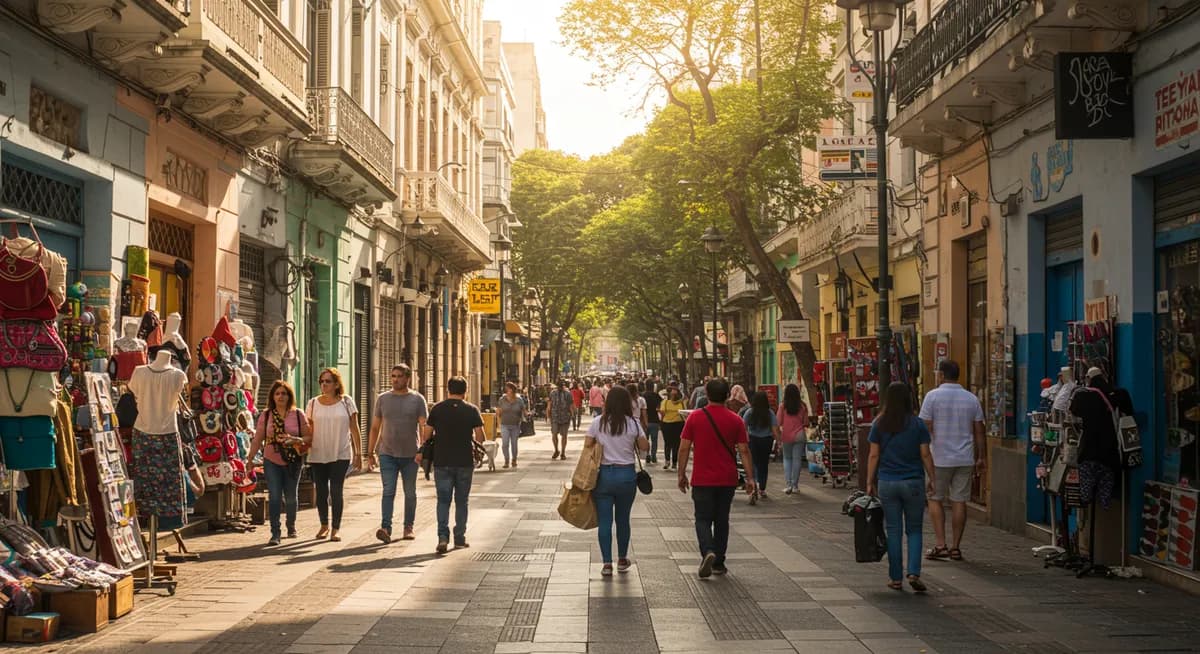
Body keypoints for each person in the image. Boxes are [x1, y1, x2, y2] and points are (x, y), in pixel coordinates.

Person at [676, 378, 757, 578]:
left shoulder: (694, 418)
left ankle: (707, 551)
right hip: (727, 479)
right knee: (722, 520)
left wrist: (681, 473)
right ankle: (719, 562)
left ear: (707, 394)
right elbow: (744, 450)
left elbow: (684, 447)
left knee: (702, 518)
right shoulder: (735, 420)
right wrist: (750, 478)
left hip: (702, 479)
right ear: (728, 395)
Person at [867, 382, 936, 592]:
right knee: (914, 530)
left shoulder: (879, 424)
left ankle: (896, 578)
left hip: (888, 482)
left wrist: (870, 482)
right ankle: (914, 572)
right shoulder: (917, 424)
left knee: (893, 530)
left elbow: (874, 454)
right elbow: (925, 454)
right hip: (913, 482)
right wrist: (933, 478)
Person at [919, 359, 985, 561]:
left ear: (940, 375)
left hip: (938, 458)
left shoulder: (932, 397)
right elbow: (979, 431)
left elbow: (925, 427)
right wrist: (982, 457)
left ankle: (941, 544)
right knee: (959, 501)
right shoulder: (971, 398)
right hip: (964, 457)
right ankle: (956, 547)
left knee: (934, 498)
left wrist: (922, 452)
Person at [586, 385, 649, 576]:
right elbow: (644, 447)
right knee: (623, 519)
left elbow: (587, 445)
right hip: (626, 476)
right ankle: (622, 559)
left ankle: (606, 563)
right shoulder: (633, 423)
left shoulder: (598, 422)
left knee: (605, 521)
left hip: (603, 476)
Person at [421, 376, 485, 554]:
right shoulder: (472, 410)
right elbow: (480, 435)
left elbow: (426, 434)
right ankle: (459, 538)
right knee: (462, 501)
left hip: (442, 461)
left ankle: (442, 537)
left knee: (443, 501)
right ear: (465, 391)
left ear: (447, 389)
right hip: (464, 461)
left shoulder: (437, 409)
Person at [367, 364, 428, 544]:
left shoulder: (417, 399)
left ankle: (408, 527)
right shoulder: (383, 399)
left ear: (407, 378)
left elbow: (424, 426)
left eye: (399, 376)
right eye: (393, 376)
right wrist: (370, 452)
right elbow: (375, 427)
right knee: (388, 490)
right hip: (387, 453)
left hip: (411, 455)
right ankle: (386, 527)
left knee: (410, 493)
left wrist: (422, 450)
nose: (395, 379)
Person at [247, 380, 311, 546]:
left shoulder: (298, 414)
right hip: (271, 460)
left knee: (290, 496)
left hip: (293, 460)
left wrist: (296, 439)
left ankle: (291, 525)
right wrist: (250, 459)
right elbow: (258, 438)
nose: (281, 396)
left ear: (289, 396)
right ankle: (275, 532)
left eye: (284, 393)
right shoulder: (266, 415)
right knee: (275, 495)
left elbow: (308, 437)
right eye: (277, 393)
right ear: (272, 397)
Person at [305, 368, 362, 542]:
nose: (324, 384)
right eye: (321, 381)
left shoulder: (346, 401)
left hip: (341, 452)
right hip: (318, 452)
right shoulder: (313, 403)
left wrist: (359, 453)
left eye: (328, 381)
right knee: (321, 491)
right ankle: (324, 525)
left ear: (336, 384)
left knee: (336, 490)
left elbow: (354, 428)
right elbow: (309, 428)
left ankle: (335, 528)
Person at [742, 391, 781, 505]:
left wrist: (744, 440)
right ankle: (762, 488)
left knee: (753, 463)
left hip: (753, 440)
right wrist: (778, 441)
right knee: (763, 464)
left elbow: (743, 426)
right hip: (766, 441)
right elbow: (774, 429)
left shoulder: (750, 412)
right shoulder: (770, 413)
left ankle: (753, 484)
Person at [777, 383, 810, 494]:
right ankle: (795, 486)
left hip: (786, 435)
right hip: (800, 434)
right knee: (797, 459)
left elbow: (778, 422)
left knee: (787, 459)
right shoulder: (803, 406)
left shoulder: (782, 406)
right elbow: (806, 423)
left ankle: (788, 485)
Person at [496, 382, 525, 468]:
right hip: (504, 424)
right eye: (507, 389)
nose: (507, 391)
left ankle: (514, 459)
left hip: (515, 425)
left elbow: (523, 410)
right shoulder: (502, 399)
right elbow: (498, 412)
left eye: (508, 389)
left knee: (514, 443)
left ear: (513, 390)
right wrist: (499, 424)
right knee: (505, 443)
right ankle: (506, 460)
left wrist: (526, 415)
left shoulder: (519, 400)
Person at [659, 384, 686, 470]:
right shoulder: (665, 402)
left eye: (675, 394)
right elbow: (662, 413)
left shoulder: (682, 402)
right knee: (668, 443)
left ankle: (674, 462)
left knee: (676, 444)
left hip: (678, 424)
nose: (674, 395)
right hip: (667, 424)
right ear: (669, 394)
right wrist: (661, 423)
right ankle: (667, 461)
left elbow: (684, 412)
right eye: (672, 394)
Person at [548, 380, 574, 460]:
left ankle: (563, 452)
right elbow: (549, 404)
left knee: (564, 435)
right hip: (555, 417)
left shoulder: (568, 394)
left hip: (565, 417)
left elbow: (570, 405)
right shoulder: (552, 393)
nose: (560, 387)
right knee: (554, 434)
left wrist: (572, 415)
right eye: (559, 386)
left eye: (561, 386)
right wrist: (548, 415)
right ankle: (556, 450)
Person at [642, 381, 662, 464]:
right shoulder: (656, 396)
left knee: (646, 439)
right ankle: (654, 456)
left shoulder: (642, 396)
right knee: (654, 440)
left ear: (645, 386)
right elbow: (660, 406)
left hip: (644, 421)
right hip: (654, 420)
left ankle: (647, 455)